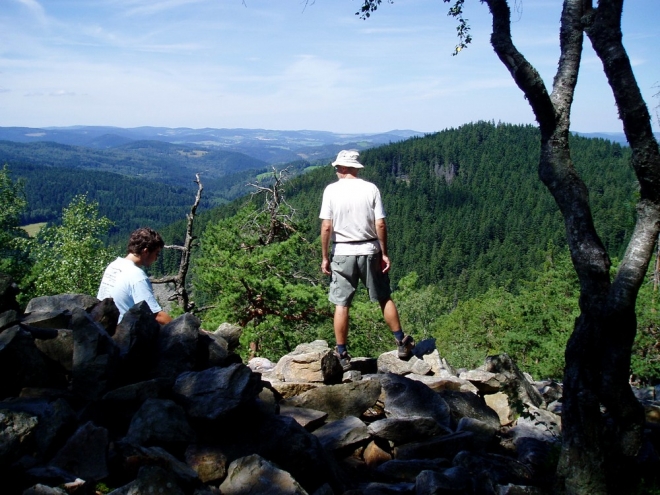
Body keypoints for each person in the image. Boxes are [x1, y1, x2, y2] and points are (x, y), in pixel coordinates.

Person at [320, 149, 414, 370]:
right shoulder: (370, 188)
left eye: (336, 168)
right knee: (384, 297)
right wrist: (384, 253)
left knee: (341, 304)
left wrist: (325, 256)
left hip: (342, 251)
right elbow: (380, 224)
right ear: (354, 168)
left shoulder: (331, 191)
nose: (335, 171)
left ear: (343, 168)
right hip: (370, 249)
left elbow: (326, 226)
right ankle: (401, 341)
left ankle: (342, 354)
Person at [97, 227, 173, 325]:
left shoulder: (113, 265)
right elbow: (156, 315)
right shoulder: (137, 276)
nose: (156, 258)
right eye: (156, 254)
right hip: (123, 333)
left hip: (104, 326)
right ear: (145, 252)